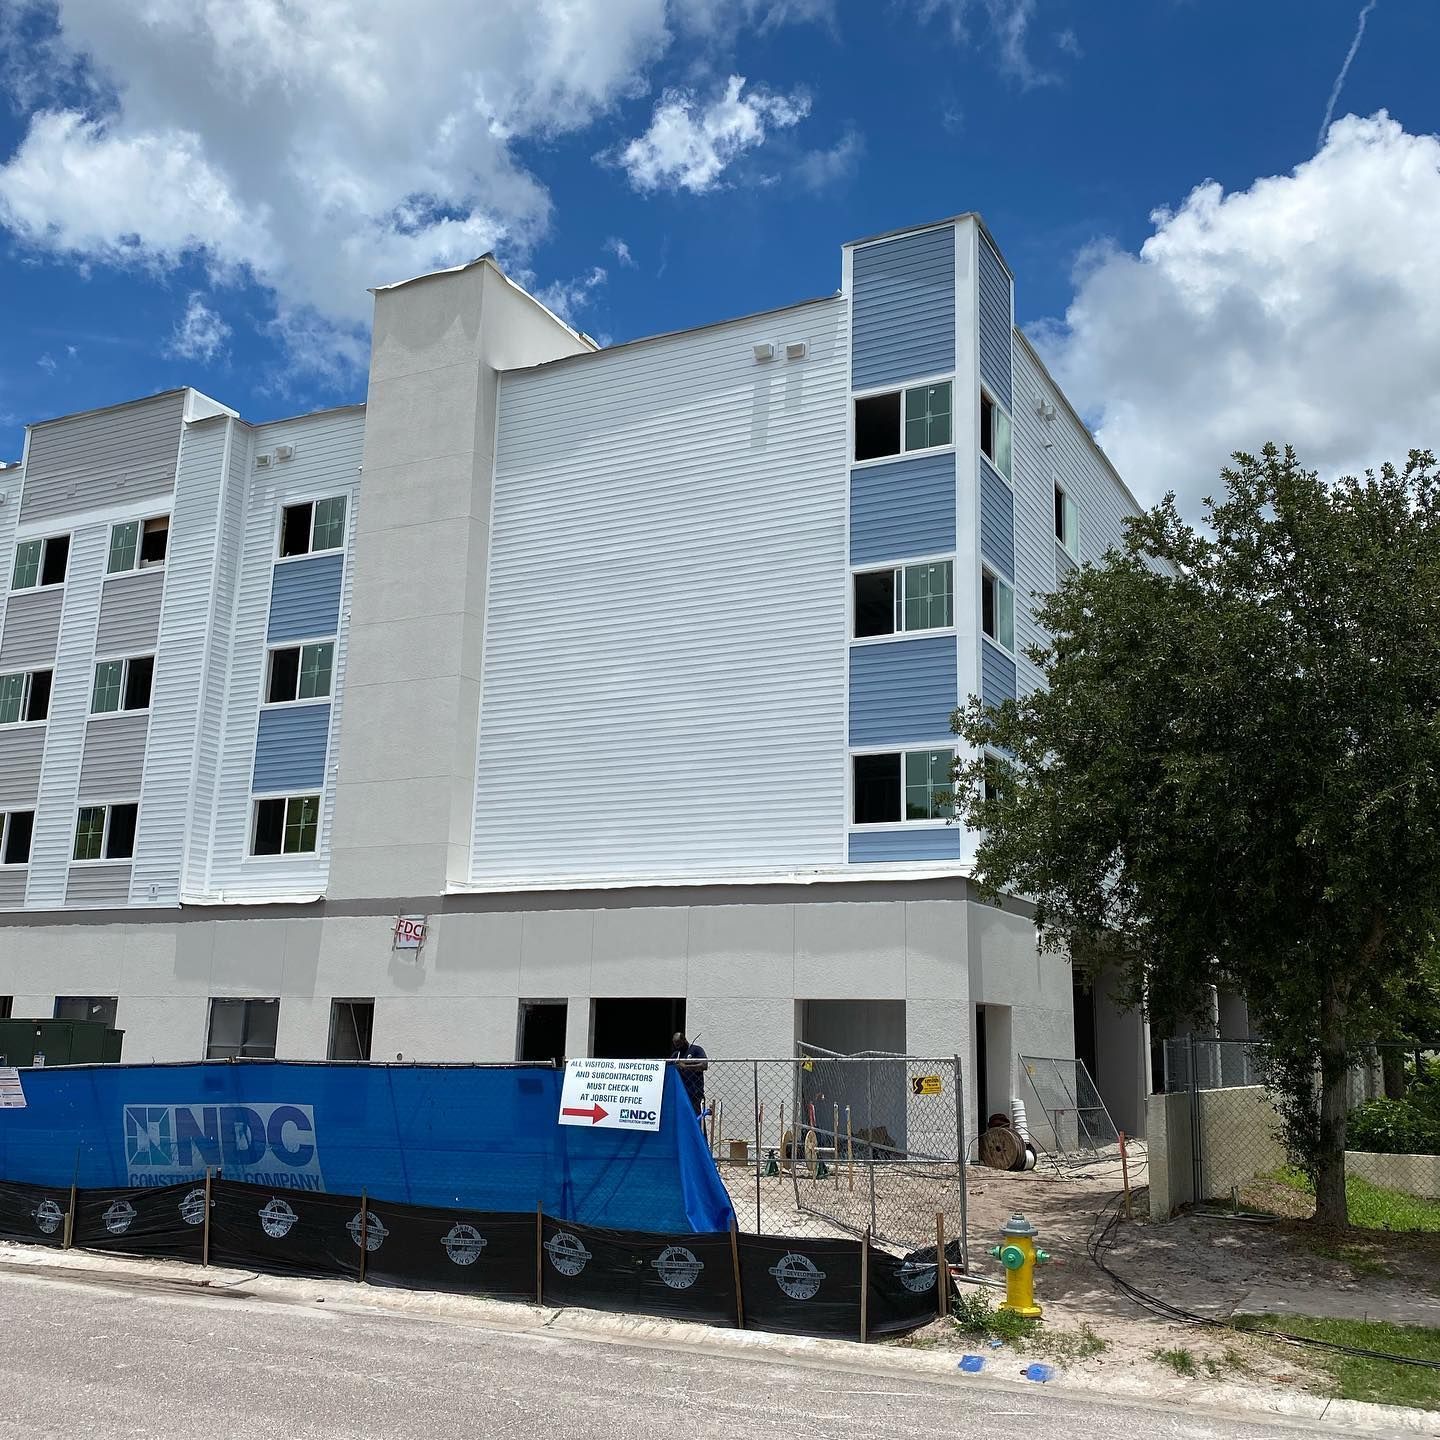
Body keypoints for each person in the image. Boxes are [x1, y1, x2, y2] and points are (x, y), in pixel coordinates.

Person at [668, 1031, 708, 1117]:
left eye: (679, 1044)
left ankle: (700, 1131)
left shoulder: (696, 1050)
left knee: (696, 1117)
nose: (678, 1047)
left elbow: (704, 1065)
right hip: (680, 1093)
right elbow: (667, 1066)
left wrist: (686, 1066)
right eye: (676, 1045)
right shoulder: (676, 1054)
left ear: (684, 1040)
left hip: (695, 1093)